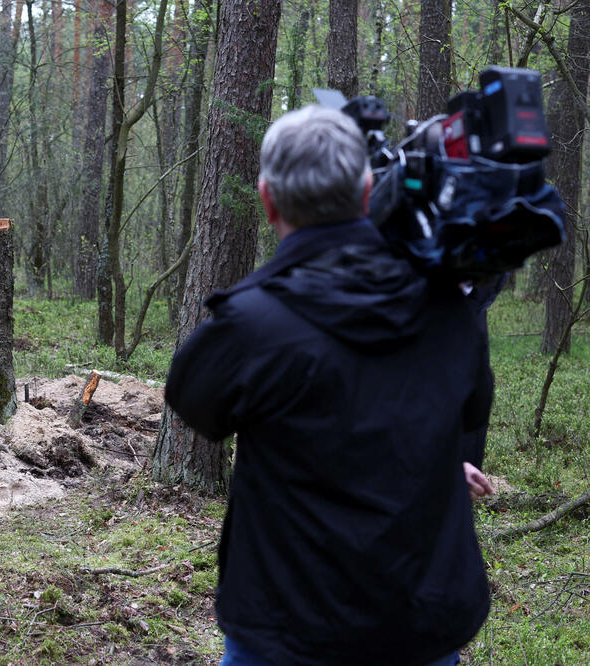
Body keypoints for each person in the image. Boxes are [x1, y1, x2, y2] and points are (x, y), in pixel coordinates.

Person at [164, 105, 494, 666]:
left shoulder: (252, 323)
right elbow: (463, 407)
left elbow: (192, 400)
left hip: (285, 631)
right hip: (420, 626)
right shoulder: (446, 309)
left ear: (268, 200)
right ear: (368, 192)